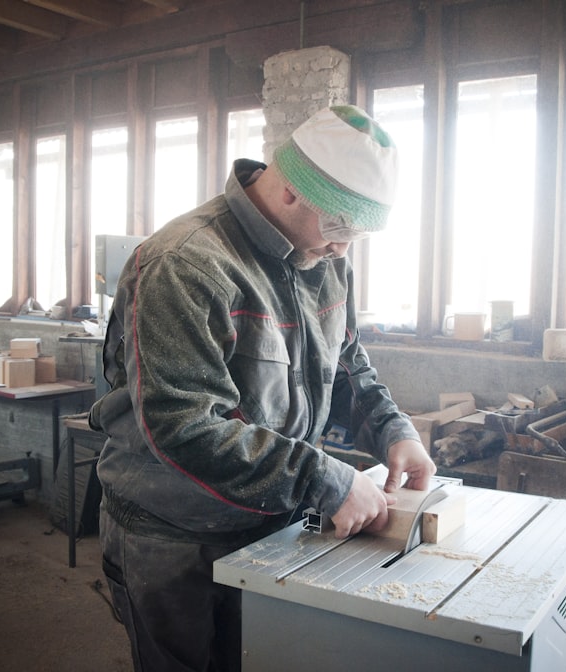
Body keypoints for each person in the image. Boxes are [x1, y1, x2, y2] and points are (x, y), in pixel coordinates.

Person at [90, 104, 436, 672]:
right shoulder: (188, 264)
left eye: (357, 234)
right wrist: (321, 477)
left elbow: (345, 363)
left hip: (273, 518)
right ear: (292, 191)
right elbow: (184, 426)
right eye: (340, 227)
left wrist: (395, 431)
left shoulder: (322, 258)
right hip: (176, 535)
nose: (344, 249)